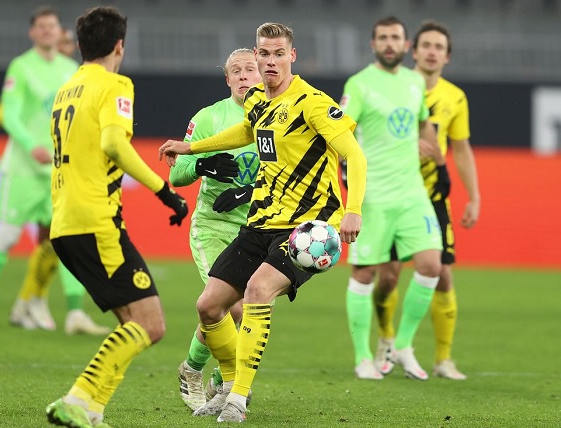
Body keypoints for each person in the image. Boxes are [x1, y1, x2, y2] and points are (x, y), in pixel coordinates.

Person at [159, 22, 367, 423]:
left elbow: (354, 155)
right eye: (264, 54)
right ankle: (227, 385)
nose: (270, 61)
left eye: (278, 54)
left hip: (307, 229)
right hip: (261, 221)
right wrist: (192, 147)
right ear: (256, 56)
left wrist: (354, 208)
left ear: (292, 56)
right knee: (209, 306)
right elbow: (245, 130)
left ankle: (237, 397)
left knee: (257, 291)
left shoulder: (312, 102)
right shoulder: (257, 100)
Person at [44, 6, 188, 428]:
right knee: (152, 324)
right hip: (96, 221)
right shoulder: (115, 84)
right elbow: (113, 144)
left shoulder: (66, 89)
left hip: (64, 222)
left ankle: (91, 410)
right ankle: (76, 398)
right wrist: (164, 191)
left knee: (130, 321)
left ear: (80, 44)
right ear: (119, 46)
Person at [0, 6, 109, 335]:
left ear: (59, 32)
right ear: (32, 32)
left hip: (58, 172)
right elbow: (10, 114)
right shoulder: (21, 67)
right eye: (41, 26)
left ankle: (74, 313)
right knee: (7, 236)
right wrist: (32, 145)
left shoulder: (70, 69)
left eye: (52, 26)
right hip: (23, 170)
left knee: (68, 242)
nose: (47, 30)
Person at [372, 20, 480, 381]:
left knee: (443, 275)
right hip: (392, 192)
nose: (432, 52)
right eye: (426, 46)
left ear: (446, 57)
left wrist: (474, 196)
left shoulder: (455, 97)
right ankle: (387, 340)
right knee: (387, 277)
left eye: (439, 47)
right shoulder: (391, 88)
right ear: (413, 51)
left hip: (431, 197)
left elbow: (461, 148)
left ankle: (443, 359)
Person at [340, 16, 446, 381]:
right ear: (373, 44)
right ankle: (362, 356)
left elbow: (422, 122)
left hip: (412, 193)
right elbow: (340, 132)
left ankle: (402, 345)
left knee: (431, 265)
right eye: (383, 38)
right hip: (374, 196)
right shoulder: (359, 84)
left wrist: (438, 160)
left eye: (395, 38)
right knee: (365, 272)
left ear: (406, 45)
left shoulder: (415, 82)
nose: (389, 43)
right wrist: (344, 179)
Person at [169, 48, 262, 411]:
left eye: (250, 69)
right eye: (236, 71)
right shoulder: (209, 118)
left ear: (263, 74)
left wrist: (249, 191)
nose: (243, 75)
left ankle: (202, 373)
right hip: (213, 226)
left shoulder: (278, 117)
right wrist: (203, 165)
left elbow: (289, 172)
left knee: (244, 309)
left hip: (258, 229)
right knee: (232, 307)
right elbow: (177, 174)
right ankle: (226, 380)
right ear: (227, 80)